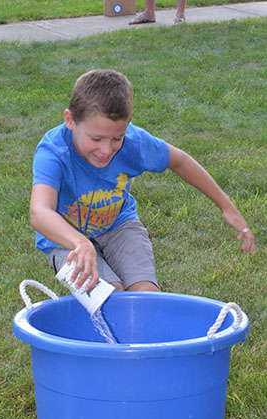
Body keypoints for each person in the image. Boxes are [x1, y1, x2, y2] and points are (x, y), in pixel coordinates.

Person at [30, 69, 255, 292]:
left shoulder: (134, 143)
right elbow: (40, 212)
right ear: (70, 120)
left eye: (117, 138)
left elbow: (180, 161)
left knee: (145, 296)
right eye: (96, 138)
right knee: (109, 297)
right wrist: (80, 243)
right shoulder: (53, 151)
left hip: (119, 224)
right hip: (65, 240)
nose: (106, 149)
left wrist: (226, 206)